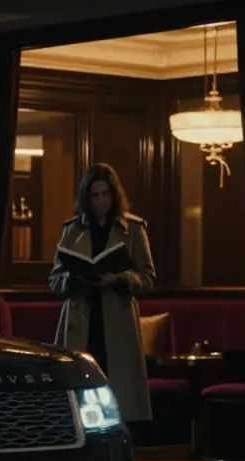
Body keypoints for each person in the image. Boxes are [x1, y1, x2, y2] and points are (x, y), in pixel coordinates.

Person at [49, 163, 155, 424]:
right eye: (94, 196)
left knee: (117, 387)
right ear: (87, 197)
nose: (100, 201)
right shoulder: (72, 229)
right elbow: (54, 279)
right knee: (79, 386)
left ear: (114, 195)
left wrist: (119, 278)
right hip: (81, 316)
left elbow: (148, 277)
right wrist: (73, 278)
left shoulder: (133, 229)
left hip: (116, 317)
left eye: (105, 195)